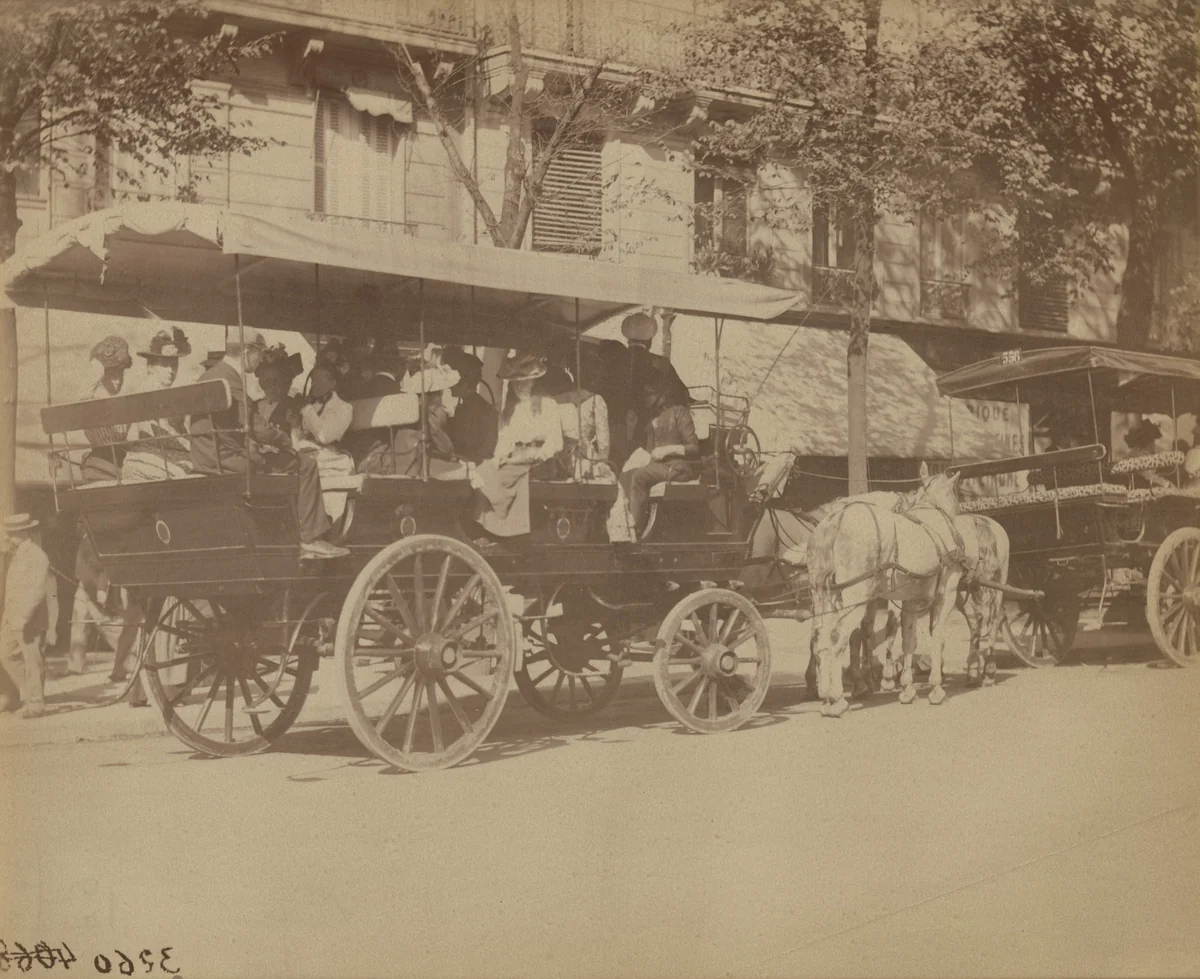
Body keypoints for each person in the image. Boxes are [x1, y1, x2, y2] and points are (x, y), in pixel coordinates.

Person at [189, 334, 348, 560]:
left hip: (204, 457)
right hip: (228, 461)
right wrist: (289, 445)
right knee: (306, 463)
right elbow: (259, 429)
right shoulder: (230, 382)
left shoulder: (209, 377)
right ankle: (310, 539)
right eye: (260, 354)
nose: (261, 360)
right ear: (247, 352)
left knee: (282, 460)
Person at [471, 353, 563, 539]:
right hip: (515, 457)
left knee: (502, 474)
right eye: (515, 382)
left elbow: (556, 442)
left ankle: (502, 529)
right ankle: (488, 526)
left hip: (540, 460)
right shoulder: (509, 409)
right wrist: (498, 458)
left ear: (533, 382)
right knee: (485, 469)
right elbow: (504, 439)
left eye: (524, 382)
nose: (519, 386)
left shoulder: (548, 405)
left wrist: (538, 455)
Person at [618, 384, 700, 537]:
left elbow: (693, 447)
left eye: (650, 395)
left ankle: (635, 530)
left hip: (677, 467)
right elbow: (651, 453)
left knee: (638, 477)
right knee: (625, 475)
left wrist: (667, 450)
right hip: (658, 466)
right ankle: (623, 525)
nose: (647, 399)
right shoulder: (651, 421)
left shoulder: (680, 412)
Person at [357, 363, 462, 477]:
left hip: (392, 460)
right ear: (438, 392)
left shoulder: (403, 403)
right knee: (461, 468)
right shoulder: (433, 411)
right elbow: (445, 449)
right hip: (414, 463)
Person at [0, 514, 59, 718]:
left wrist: (24, 616)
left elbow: (37, 590)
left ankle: (36, 703)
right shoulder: (16, 553)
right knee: (5, 653)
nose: (8, 538)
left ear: (23, 533)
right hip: (12, 617)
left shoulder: (37, 556)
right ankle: (30, 692)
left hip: (28, 619)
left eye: (11, 535)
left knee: (32, 659)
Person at [121, 328, 193, 481]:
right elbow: (160, 435)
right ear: (151, 367)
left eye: (174, 364)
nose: (171, 371)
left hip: (161, 455)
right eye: (164, 365)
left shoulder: (164, 393)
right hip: (148, 457)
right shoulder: (146, 394)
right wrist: (192, 447)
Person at [80, 335, 134, 483]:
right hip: (103, 464)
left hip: (117, 462)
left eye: (120, 373)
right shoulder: (94, 397)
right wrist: (98, 365)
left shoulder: (119, 400)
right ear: (102, 375)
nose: (117, 380)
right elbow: (82, 397)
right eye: (111, 375)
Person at [443, 348, 498, 464]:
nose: (450, 386)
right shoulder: (464, 407)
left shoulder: (482, 410)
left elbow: (484, 451)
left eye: (455, 382)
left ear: (465, 382)